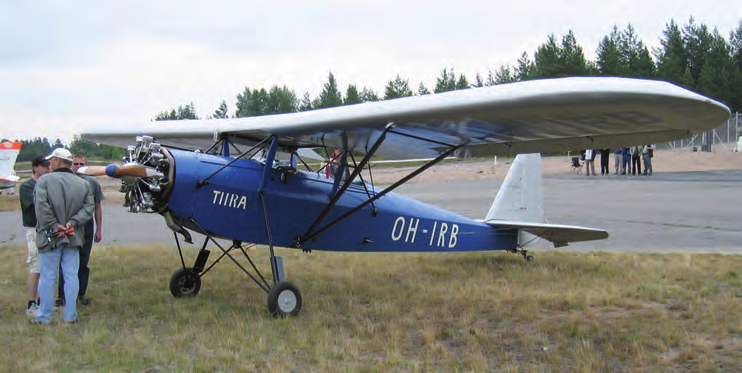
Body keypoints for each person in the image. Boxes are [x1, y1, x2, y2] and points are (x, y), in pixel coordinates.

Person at [31, 148, 94, 324]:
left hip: (49, 237)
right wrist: (72, 223)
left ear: (58, 161)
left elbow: (41, 207)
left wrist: (54, 225)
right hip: (73, 236)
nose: (49, 164)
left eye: (51, 160)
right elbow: (88, 209)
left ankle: (44, 316)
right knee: (71, 276)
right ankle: (70, 315)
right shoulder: (83, 184)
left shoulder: (43, 182)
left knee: (48, 276)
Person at [57, 152, 104, 307]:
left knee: (83, 261)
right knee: (66, 260)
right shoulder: (64, 181)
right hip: (69, 224)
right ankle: (62, 295)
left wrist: (99, 229)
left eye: (81, 164)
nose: (78, 167)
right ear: (70, 165)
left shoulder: (92, 183)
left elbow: (97, 207)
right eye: (75, 164)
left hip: (86, 224)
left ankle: (80, 294)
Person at [18, 156, 51, 316]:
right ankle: (31, 303)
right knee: (35, 266)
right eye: (45, 166)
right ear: (35, 167)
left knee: (46, 267)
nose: (48, 169)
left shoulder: (47, 184)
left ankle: (42, 301)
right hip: (34, 229)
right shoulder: (26, 186)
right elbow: (36, 203)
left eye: (49, 166)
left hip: (47, 229)